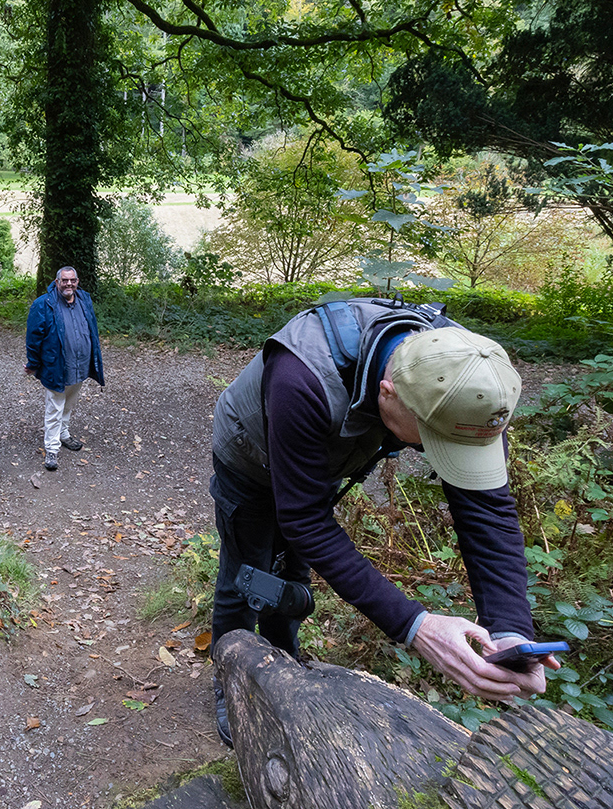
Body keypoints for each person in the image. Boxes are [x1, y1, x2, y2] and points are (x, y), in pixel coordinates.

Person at [208, 296, 559, 748]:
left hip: (319, 458)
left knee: (294, 570)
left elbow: (486, 509)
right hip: (249, 458)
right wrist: (417, 626)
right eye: (430, 441)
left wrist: (510, 628)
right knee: (247, 571)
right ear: (388, 394)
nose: (434, 454)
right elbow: (305, 517)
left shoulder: (466, 383)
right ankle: (229, 673)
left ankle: (281, 659)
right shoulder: (303, 374)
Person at [25, 266, 105, 471]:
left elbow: (92, 328)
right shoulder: (44, 304)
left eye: (73, 280)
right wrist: (33, 363)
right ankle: (51, 449)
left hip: (80, 365)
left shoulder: (84, 299)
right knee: (55, 407)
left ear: (77, 281)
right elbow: (34, 338)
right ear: (57, 281)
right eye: (65, 280)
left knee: (69, 403)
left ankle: (64, 434)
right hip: (56, 366)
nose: (69, 284)